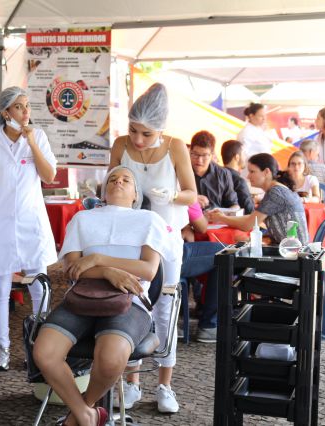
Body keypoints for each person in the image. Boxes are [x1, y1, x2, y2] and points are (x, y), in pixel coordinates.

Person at [33, 166, 175, 426]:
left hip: (130, 301)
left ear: (136, 194)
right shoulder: (82, 219)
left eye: (126, 180)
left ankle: (82, 410)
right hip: (82, 298)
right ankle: (87, 415)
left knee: (110, 360)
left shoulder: (149, 220)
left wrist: (97, 259)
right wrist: (109, 272)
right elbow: (72, 269)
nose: (118, 181)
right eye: (112, 179)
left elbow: (148, 270)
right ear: (103, 192)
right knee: (44, 353)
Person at [109, 83, 196, 413]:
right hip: (130, 235)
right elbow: (111, 184)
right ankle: (132, 382)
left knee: (166, 308)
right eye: (133, 130)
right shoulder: (121, 145)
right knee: (132, 304)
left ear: (160, 129)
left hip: (167, 234)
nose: (138, 139)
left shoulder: (176, 147)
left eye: (146, 133)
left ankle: (165, 384)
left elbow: (192, 193)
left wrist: (172, 196)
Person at [0, 86, 58, 371]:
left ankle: (38, 348)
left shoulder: (39, 137)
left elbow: (49, 176)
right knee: (0, 289)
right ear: (5, 112)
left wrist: (32, 142)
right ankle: (2, 349)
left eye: (27, 106)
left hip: (31, 222)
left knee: (39, 286)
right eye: (19, 107)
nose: (25, 112)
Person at [208, 154, 309, 245]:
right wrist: (222, 216)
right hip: (291, 249)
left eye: (252, 171)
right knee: (242, 240)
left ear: (266, 172)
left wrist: (221, 218)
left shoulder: (275, 193)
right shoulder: (277, 189)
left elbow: (248, 224)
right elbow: (253, 218)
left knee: (238, 241)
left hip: (292, 252)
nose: (248, 176)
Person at [181, 202, 224, 343]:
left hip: (145, 257)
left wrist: (185, 226)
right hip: (165, 256)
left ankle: (175, 319)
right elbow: (201, 226)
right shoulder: (183, 194)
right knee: (224, 255)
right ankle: (209, 325)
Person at [189, 130, 238, 210]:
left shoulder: (223, 174)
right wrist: (191, 199)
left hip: (216, 216)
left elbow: (234, 205)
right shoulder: (181, 170)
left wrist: (224, 213)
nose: (199, 160)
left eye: (204, 155)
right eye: (195, 154)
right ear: (190, 151)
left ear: (212, 155)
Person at [220, 140, 255, 214]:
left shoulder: (216, 176)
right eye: (244, 154)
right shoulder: (239, 181)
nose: (246, 157)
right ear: (237, 157)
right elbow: (249, 211)